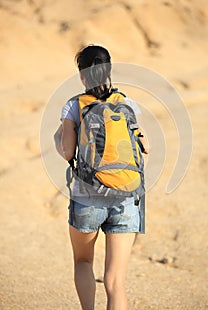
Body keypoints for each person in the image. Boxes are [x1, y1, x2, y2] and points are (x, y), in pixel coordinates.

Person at [54, 45, 149, 310]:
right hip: (127, 197)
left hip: (88, 198)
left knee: (83, 262)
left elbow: (67, 152)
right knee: (116, 282)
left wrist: (62, 135)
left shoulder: (74, 105)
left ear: (82, 75)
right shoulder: (126, 103)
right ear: (109, 70)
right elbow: (146, 146)